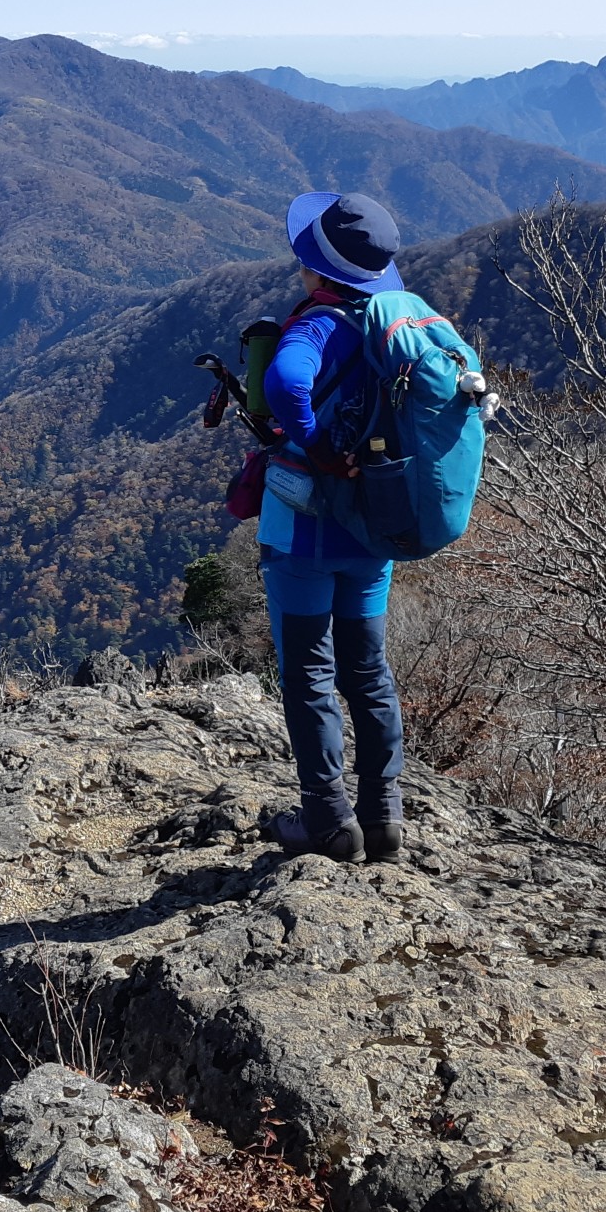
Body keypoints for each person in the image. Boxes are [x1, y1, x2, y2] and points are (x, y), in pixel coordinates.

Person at [256, 190, 410, 863]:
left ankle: (327, 822)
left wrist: (317, 449)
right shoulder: (390, 325)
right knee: (368, 672)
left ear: (317, 269)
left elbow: (286, 384)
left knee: (310, 675)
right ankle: (384, 818)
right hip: (374, 528)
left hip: (306, 532)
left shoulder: (318, 325)